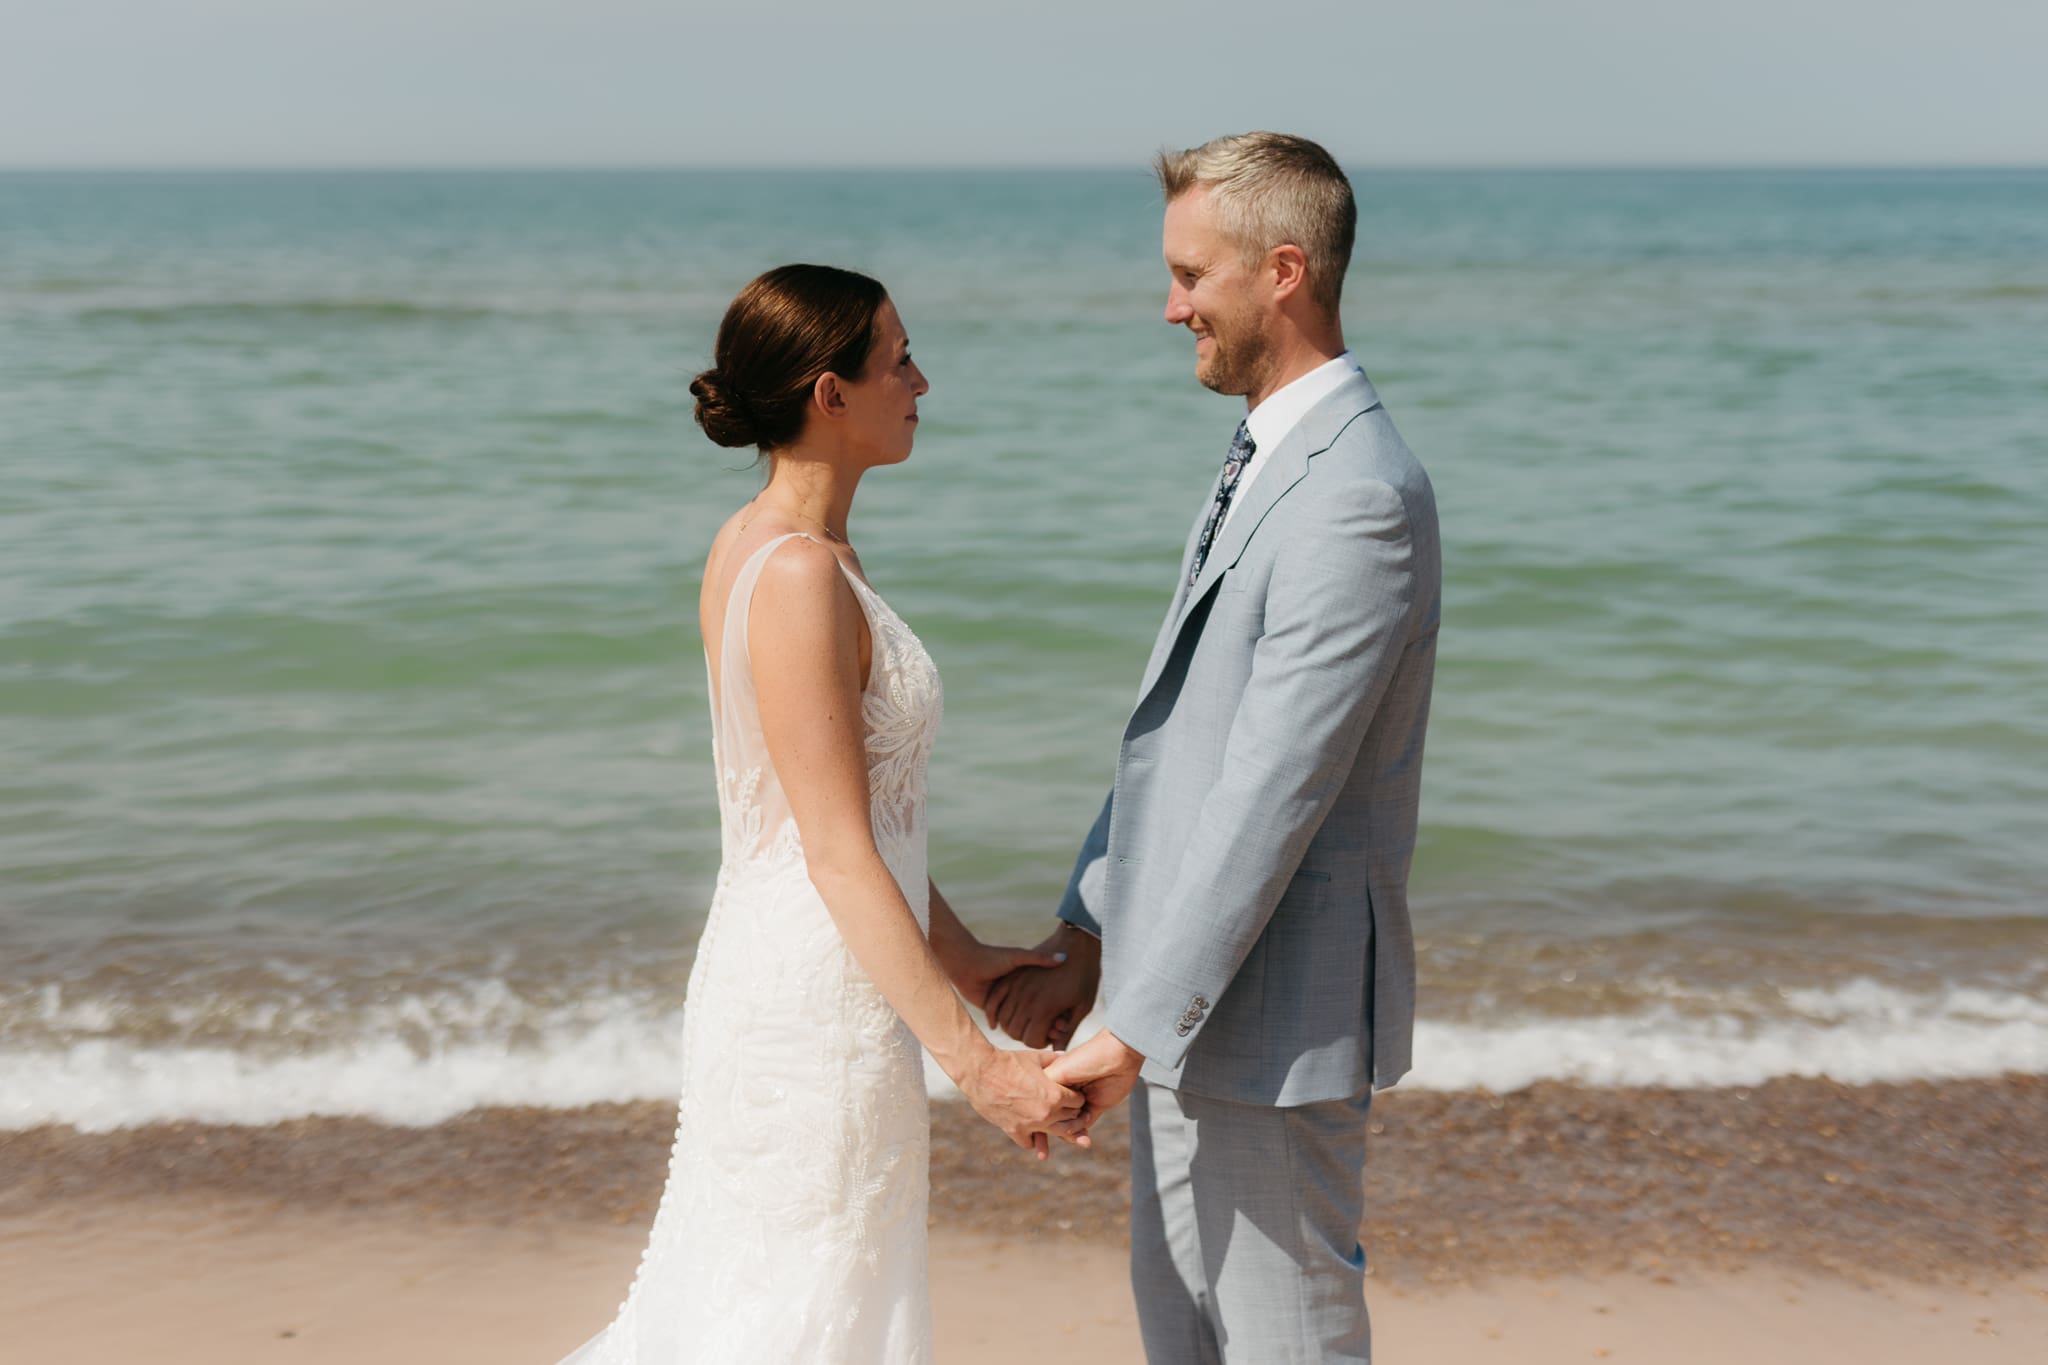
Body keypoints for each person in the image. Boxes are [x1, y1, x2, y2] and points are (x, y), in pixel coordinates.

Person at [557, 264, 1086, 1365]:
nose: (922, 381)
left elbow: (849, 816)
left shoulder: (766, 544)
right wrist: (975, 1063)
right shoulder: (797, 574)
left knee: (786, 1305)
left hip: (806, 973)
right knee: (785, 1321)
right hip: (812, 1007)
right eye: (898, 361)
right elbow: (837, 850)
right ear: (828, 393)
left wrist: (965, 959)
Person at [987, 132, 1442, 1363]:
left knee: (1286, 1340)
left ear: (1282, 271)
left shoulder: (1355, 494)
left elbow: (1269, 793)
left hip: (1269, 1021)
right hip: (1173, 994)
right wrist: (1088, 938)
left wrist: (1129, 1033)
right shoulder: (1264, 455)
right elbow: (1171, 735)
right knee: (1181, 1338)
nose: (1169, 303)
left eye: (1192, 275)